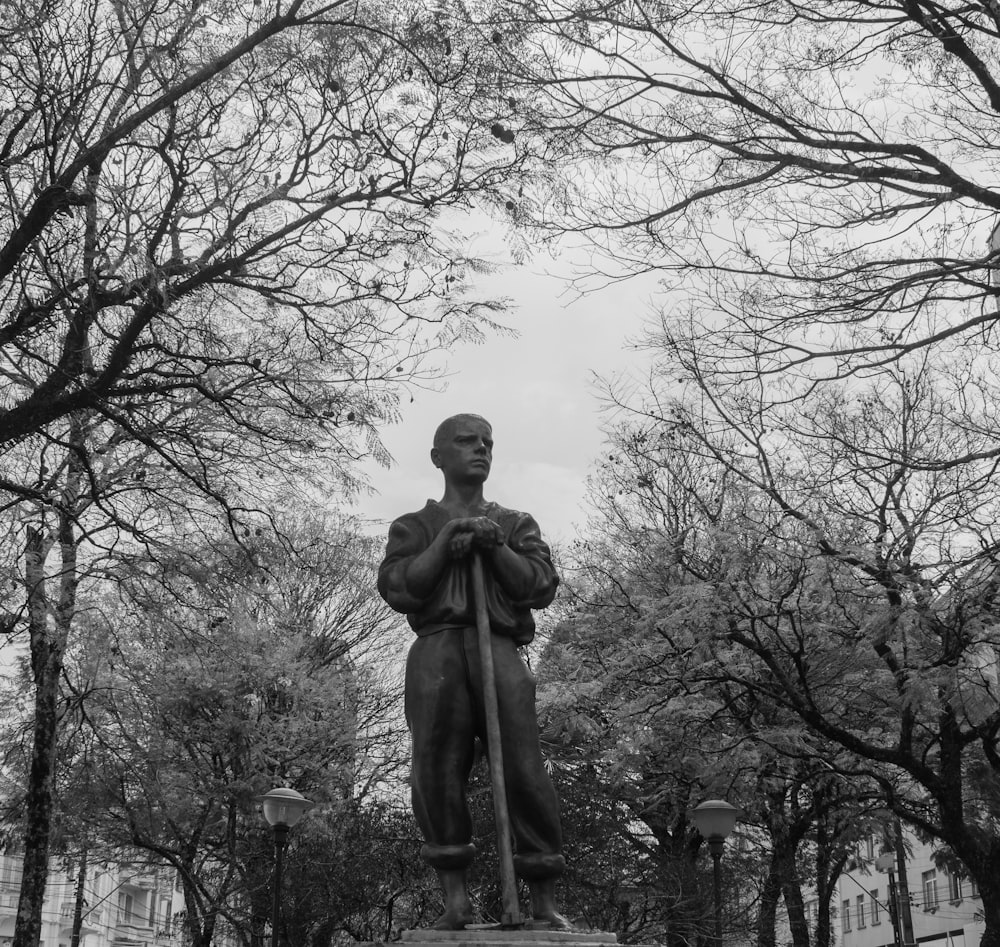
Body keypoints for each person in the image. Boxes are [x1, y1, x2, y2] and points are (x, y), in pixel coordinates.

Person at [378, 413, 570, 931]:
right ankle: (455, 899)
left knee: (525, 770)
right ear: (439, 457)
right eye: (466, 442)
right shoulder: (412, 526)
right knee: (436, 771)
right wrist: (447, 542)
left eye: (487, 442)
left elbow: (539, 585)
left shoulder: (514, 523)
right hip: (437, 652)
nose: (480, 449)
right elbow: (401, 589)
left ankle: (543, 900)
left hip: (501, 651)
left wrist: (492, 545)